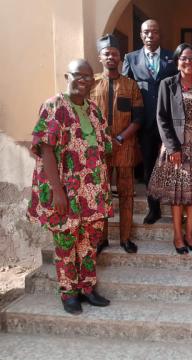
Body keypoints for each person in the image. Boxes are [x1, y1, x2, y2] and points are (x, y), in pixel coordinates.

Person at [27, 59, 112, 315]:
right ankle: (68, 293)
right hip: (66, 189)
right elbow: (46, 148)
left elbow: (103, 147)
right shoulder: (53, 106)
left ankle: (87, 288)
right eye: (78, 75)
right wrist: (57, 191)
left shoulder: (95, 109)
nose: (84, 80)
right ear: (67, 76)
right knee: (66, 243)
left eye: (88, 76)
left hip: (92, 191)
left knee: (89, 242)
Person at [148, 43, 192, 254]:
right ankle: (177, 236)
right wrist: (172, 147)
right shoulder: (168, 84)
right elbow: (162, 118)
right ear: (177, 62)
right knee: (177, 196)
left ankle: (191, 233)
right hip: (177, 147)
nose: (188, 62)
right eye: (184, 58)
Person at [90, 34, 143, 254]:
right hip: (98, 149)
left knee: (126, 193)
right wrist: (99, 139)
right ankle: (101, 238)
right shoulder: (91, 84)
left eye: (114, 53)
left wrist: (120, 137)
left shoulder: (130, 85)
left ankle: (125, 238)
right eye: (106, 53)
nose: (111, 57)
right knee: (100, 194)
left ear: (120, 57)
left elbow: (139, 118)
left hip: (125, 148)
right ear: (100, 57)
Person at [122, 19, 177, 224]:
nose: (150, 36)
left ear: (159, 35)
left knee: (172, 166)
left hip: (169, 123)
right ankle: (154, 208)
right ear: (141, 35)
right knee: (149, 167)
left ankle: (174, 205)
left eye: (154, 32)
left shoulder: (171, 57)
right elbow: (126, 91)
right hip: (144, 124)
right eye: (146, 32)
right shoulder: (131, 58)